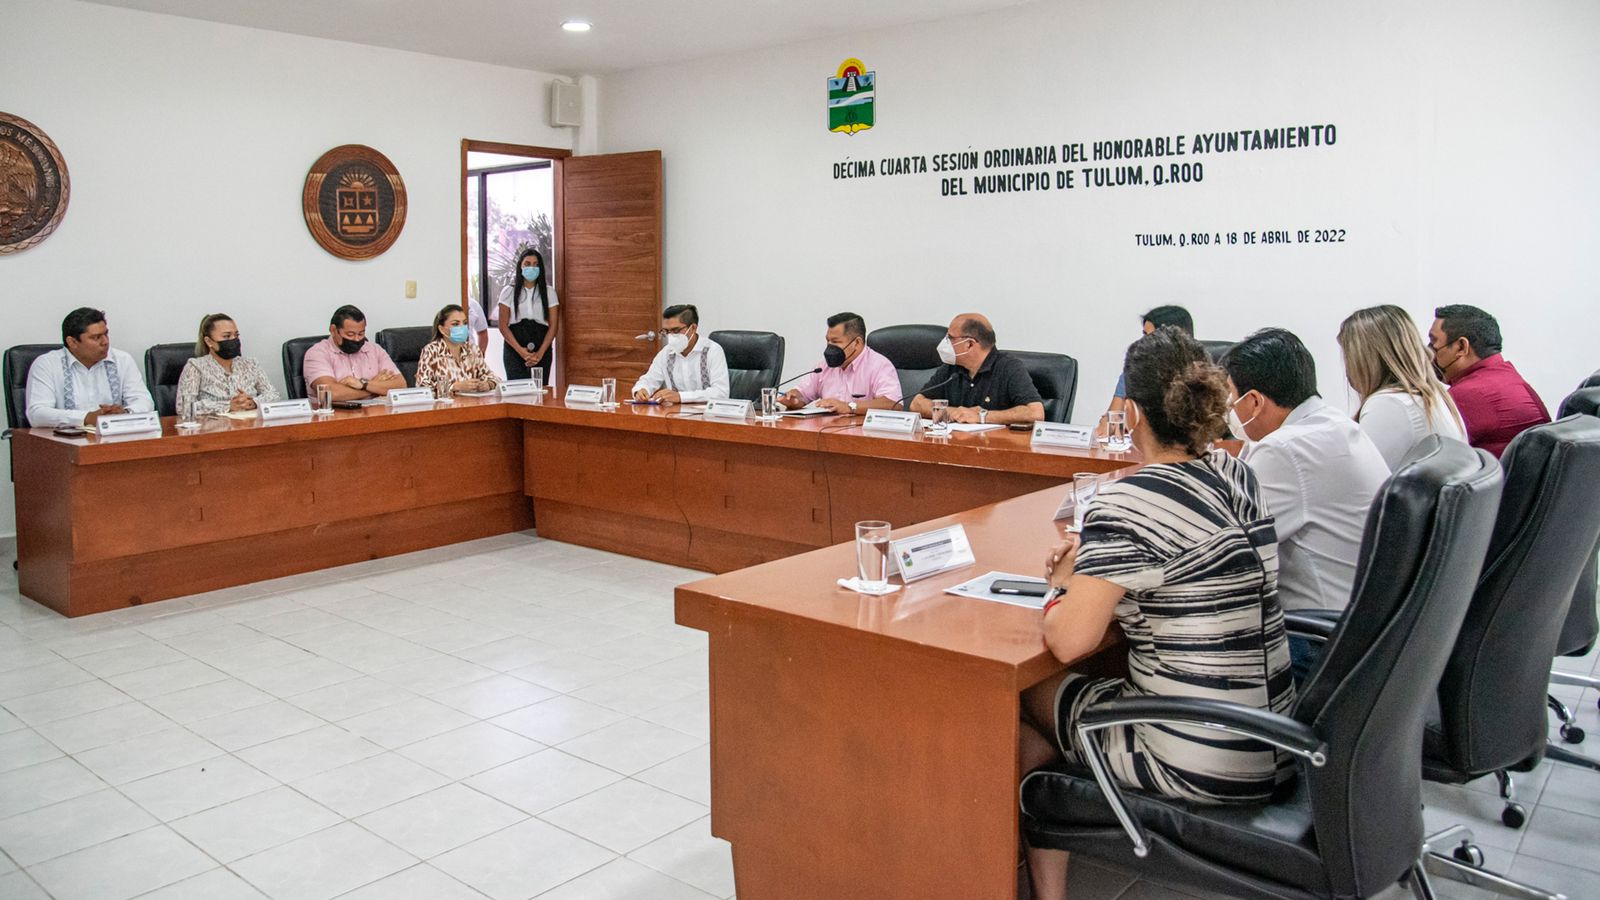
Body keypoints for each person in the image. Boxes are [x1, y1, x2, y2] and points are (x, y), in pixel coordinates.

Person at [1018, 328, 1295, 899]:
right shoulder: (1238, 474)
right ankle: (1075, 766)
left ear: (1134, 412)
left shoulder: (1128, 500)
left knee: (1026, 695)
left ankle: (1051, 819)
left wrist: (1064, 583)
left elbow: (1068, 640)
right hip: (1280, 737)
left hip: (1205, 758)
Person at [1222, 328, 1388, 678]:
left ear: (1253, 402)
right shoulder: (1331, 425)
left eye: (1231, 398)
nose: (1230, 411)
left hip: (1317, 643)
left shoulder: (1286, 449)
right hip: (1359, 632)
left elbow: (1226, 550)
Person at [1338, 305, 1465, 470]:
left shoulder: (1389, 404)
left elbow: (1360, 482)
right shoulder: (1433, 396)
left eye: (1348, 354)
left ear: (1365, 359)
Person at [1429, 304, 1550, 459]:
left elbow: (1423, 450)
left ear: (1461, 347)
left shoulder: (1468, 394)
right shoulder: (1507, 378)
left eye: (1434, 342)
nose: (1429, 350)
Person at [26, 308, 155, 429]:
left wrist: (124, 412)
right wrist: (86, 418)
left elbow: (144, 401)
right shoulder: (47, 364)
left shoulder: (122, 359)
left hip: (115, 439)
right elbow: (37, 414)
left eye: (106, 334)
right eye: (96, 337)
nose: (105, 342)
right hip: (66, 443)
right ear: (72, 342)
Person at [907, 313, 1044, 425]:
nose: (945, 343)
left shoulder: (1008, 367)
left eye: (950, 338)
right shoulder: (951, 368)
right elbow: (916, 404)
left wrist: (982, 417)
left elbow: (1035, 413)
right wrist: (952, 412)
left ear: (969, 344)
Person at [778, 312, 902, 414]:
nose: (830, 347)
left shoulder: (879, 365)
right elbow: (802, 394)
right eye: (828, 341)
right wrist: (794, 399)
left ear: (857, 343)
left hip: (864, 436)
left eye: (836, 342)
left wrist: (850, 407)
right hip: (827, 432)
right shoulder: (823, 366)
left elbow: (893, 403)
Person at [1100, 305, 1194, 427]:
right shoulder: (1134, 372)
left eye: (1151, 337)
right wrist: (1111, 426)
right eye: (1145, 335)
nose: (1144, 343)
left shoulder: (1202, 378)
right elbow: (1109, 424)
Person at [176, 313, 280, 415]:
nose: (233, 340)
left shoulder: (251, 364)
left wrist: (253, 402)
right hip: (215, 428)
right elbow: (184, 407)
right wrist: (228, 406)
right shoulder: (195, 367)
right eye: (226, 336)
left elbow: (273, 395)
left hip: (251, 425)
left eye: (236, 335)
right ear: (209, 341)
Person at [303, 305, 406, 402]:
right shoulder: (317, 353)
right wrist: (375, 385)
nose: (357, 339)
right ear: (333, 330)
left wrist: (363, 384)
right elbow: (330, 393)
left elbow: (400, 385)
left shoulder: (374, 349)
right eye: (350, 334)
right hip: (335, 416)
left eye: (361, 333)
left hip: (375, 413)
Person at [631, 304, 729, 404]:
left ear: (693, 328)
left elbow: (721, 392)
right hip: (674, 414)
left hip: (707, 415)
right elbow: (649, 379)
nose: (671, 335)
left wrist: (681, 397)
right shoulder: (666, 352)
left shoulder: (712, 351)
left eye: (676, 330)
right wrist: (641, 390)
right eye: (666, 331)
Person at [496, 246, 559, 383]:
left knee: (540, 390)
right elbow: (503, 326)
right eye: (527, 264)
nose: (532, 268)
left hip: (541, 345)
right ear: (520, 266)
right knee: (517, 389)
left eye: (536, 265)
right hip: (515, 346)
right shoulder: (508, 291)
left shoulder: (549, 292)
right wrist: (521, 352)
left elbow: (553, 326)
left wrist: (540, 353)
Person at [416, 305, 498, 394]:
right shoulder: (431, 351)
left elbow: (495, 378)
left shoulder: (472, 350)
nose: (462, 327)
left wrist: (488, 384)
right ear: (442, 329)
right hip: (444, 406)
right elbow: (422, 388)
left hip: (471, 404)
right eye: (455, 324)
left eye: (465, 323)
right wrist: (454, 387)